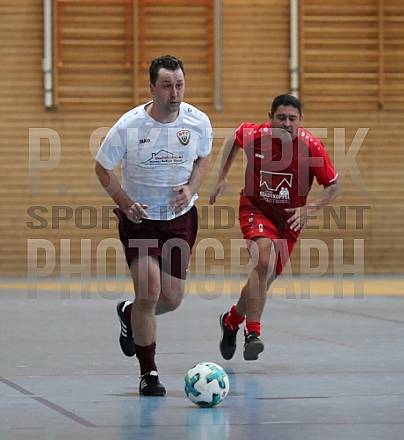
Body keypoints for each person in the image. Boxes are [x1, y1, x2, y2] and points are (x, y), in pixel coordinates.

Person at [95, 55, 212, 395]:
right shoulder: (129, 126)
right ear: (151, 88)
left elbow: (204, 158)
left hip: (180, 220)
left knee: (171, 299)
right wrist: (124, 202)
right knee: (149, 291)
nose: (174, 93)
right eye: (166, 86)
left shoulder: (198, 121)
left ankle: (129, 313)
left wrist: (191, 187)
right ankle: (149, 373)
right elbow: (102, 168)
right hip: (141, 220)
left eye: (179, 85)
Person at [209, 94, 339, 361]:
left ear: (300, 120)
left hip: (289, 221)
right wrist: (221, 176)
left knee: (263, 278)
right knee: (264, 260)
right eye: (281, 118)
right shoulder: (256, 135)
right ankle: (253, 333)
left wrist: (309, 209)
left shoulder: (311, 147)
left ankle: (231, 321)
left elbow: (333, 186)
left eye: (292, 118)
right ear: (270, 118)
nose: (286, 123)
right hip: (256, 209)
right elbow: (233, 138)